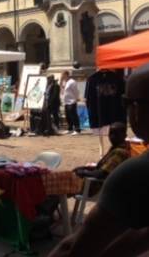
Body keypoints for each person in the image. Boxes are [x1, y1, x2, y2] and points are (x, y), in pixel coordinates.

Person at [48, 64, 149, 257]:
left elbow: (75, 249)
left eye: (125, 102)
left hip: (94, 184)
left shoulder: (133, 175)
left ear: (136, 108)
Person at [72, 122, 128, 196]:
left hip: (97, 187)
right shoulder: (117, 148)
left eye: (116, 134)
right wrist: (85, 168)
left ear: (124, 136)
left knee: (61, 187)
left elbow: (101, 173)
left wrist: (83, 172)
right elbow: (103, 168)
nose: (112, 137)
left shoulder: (120, 152)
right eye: (110, 134)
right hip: (97, 184)